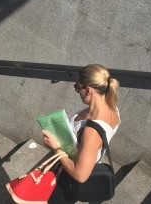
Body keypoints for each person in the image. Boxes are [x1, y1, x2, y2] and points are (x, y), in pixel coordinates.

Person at [43, 64, 120, 201]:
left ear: (88, 90)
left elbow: (80, 175)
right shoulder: (112, 108)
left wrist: (56, 147)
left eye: (77, 87)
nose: (77, 91)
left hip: (65, 182)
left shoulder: (92, 132)